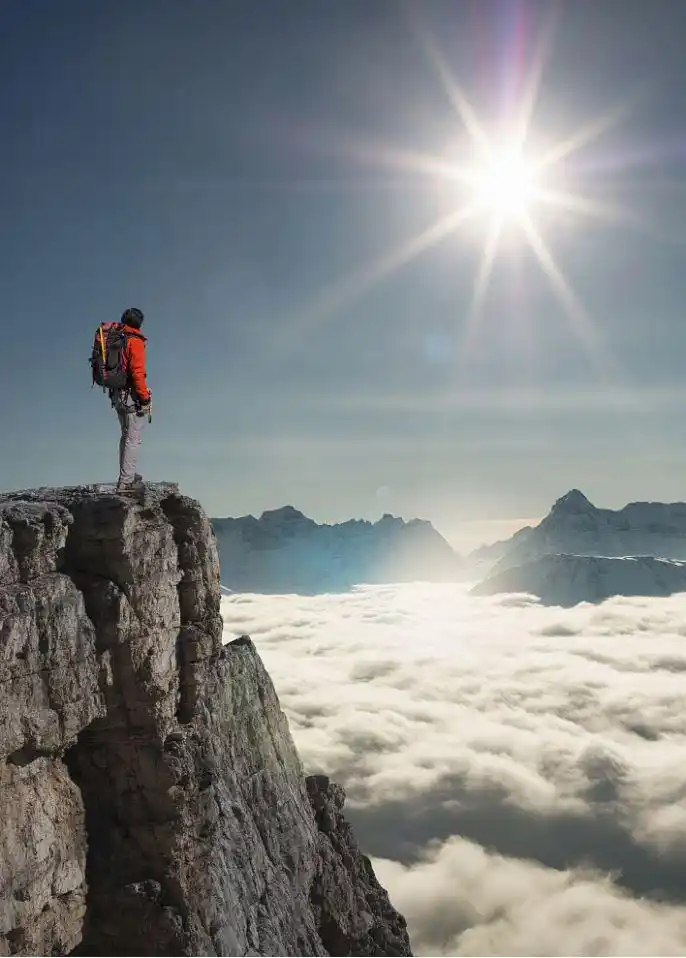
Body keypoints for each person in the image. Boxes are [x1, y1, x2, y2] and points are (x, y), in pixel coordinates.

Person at [111, 307, 152, 493]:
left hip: (116, 393)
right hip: (130, 396)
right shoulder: (134, 341)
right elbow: (137, 372)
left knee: (126, 435)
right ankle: (126, 482)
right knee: (133, 438)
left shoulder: (117, 339)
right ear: (139, 324)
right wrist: (144, 398)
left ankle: (128, 473)